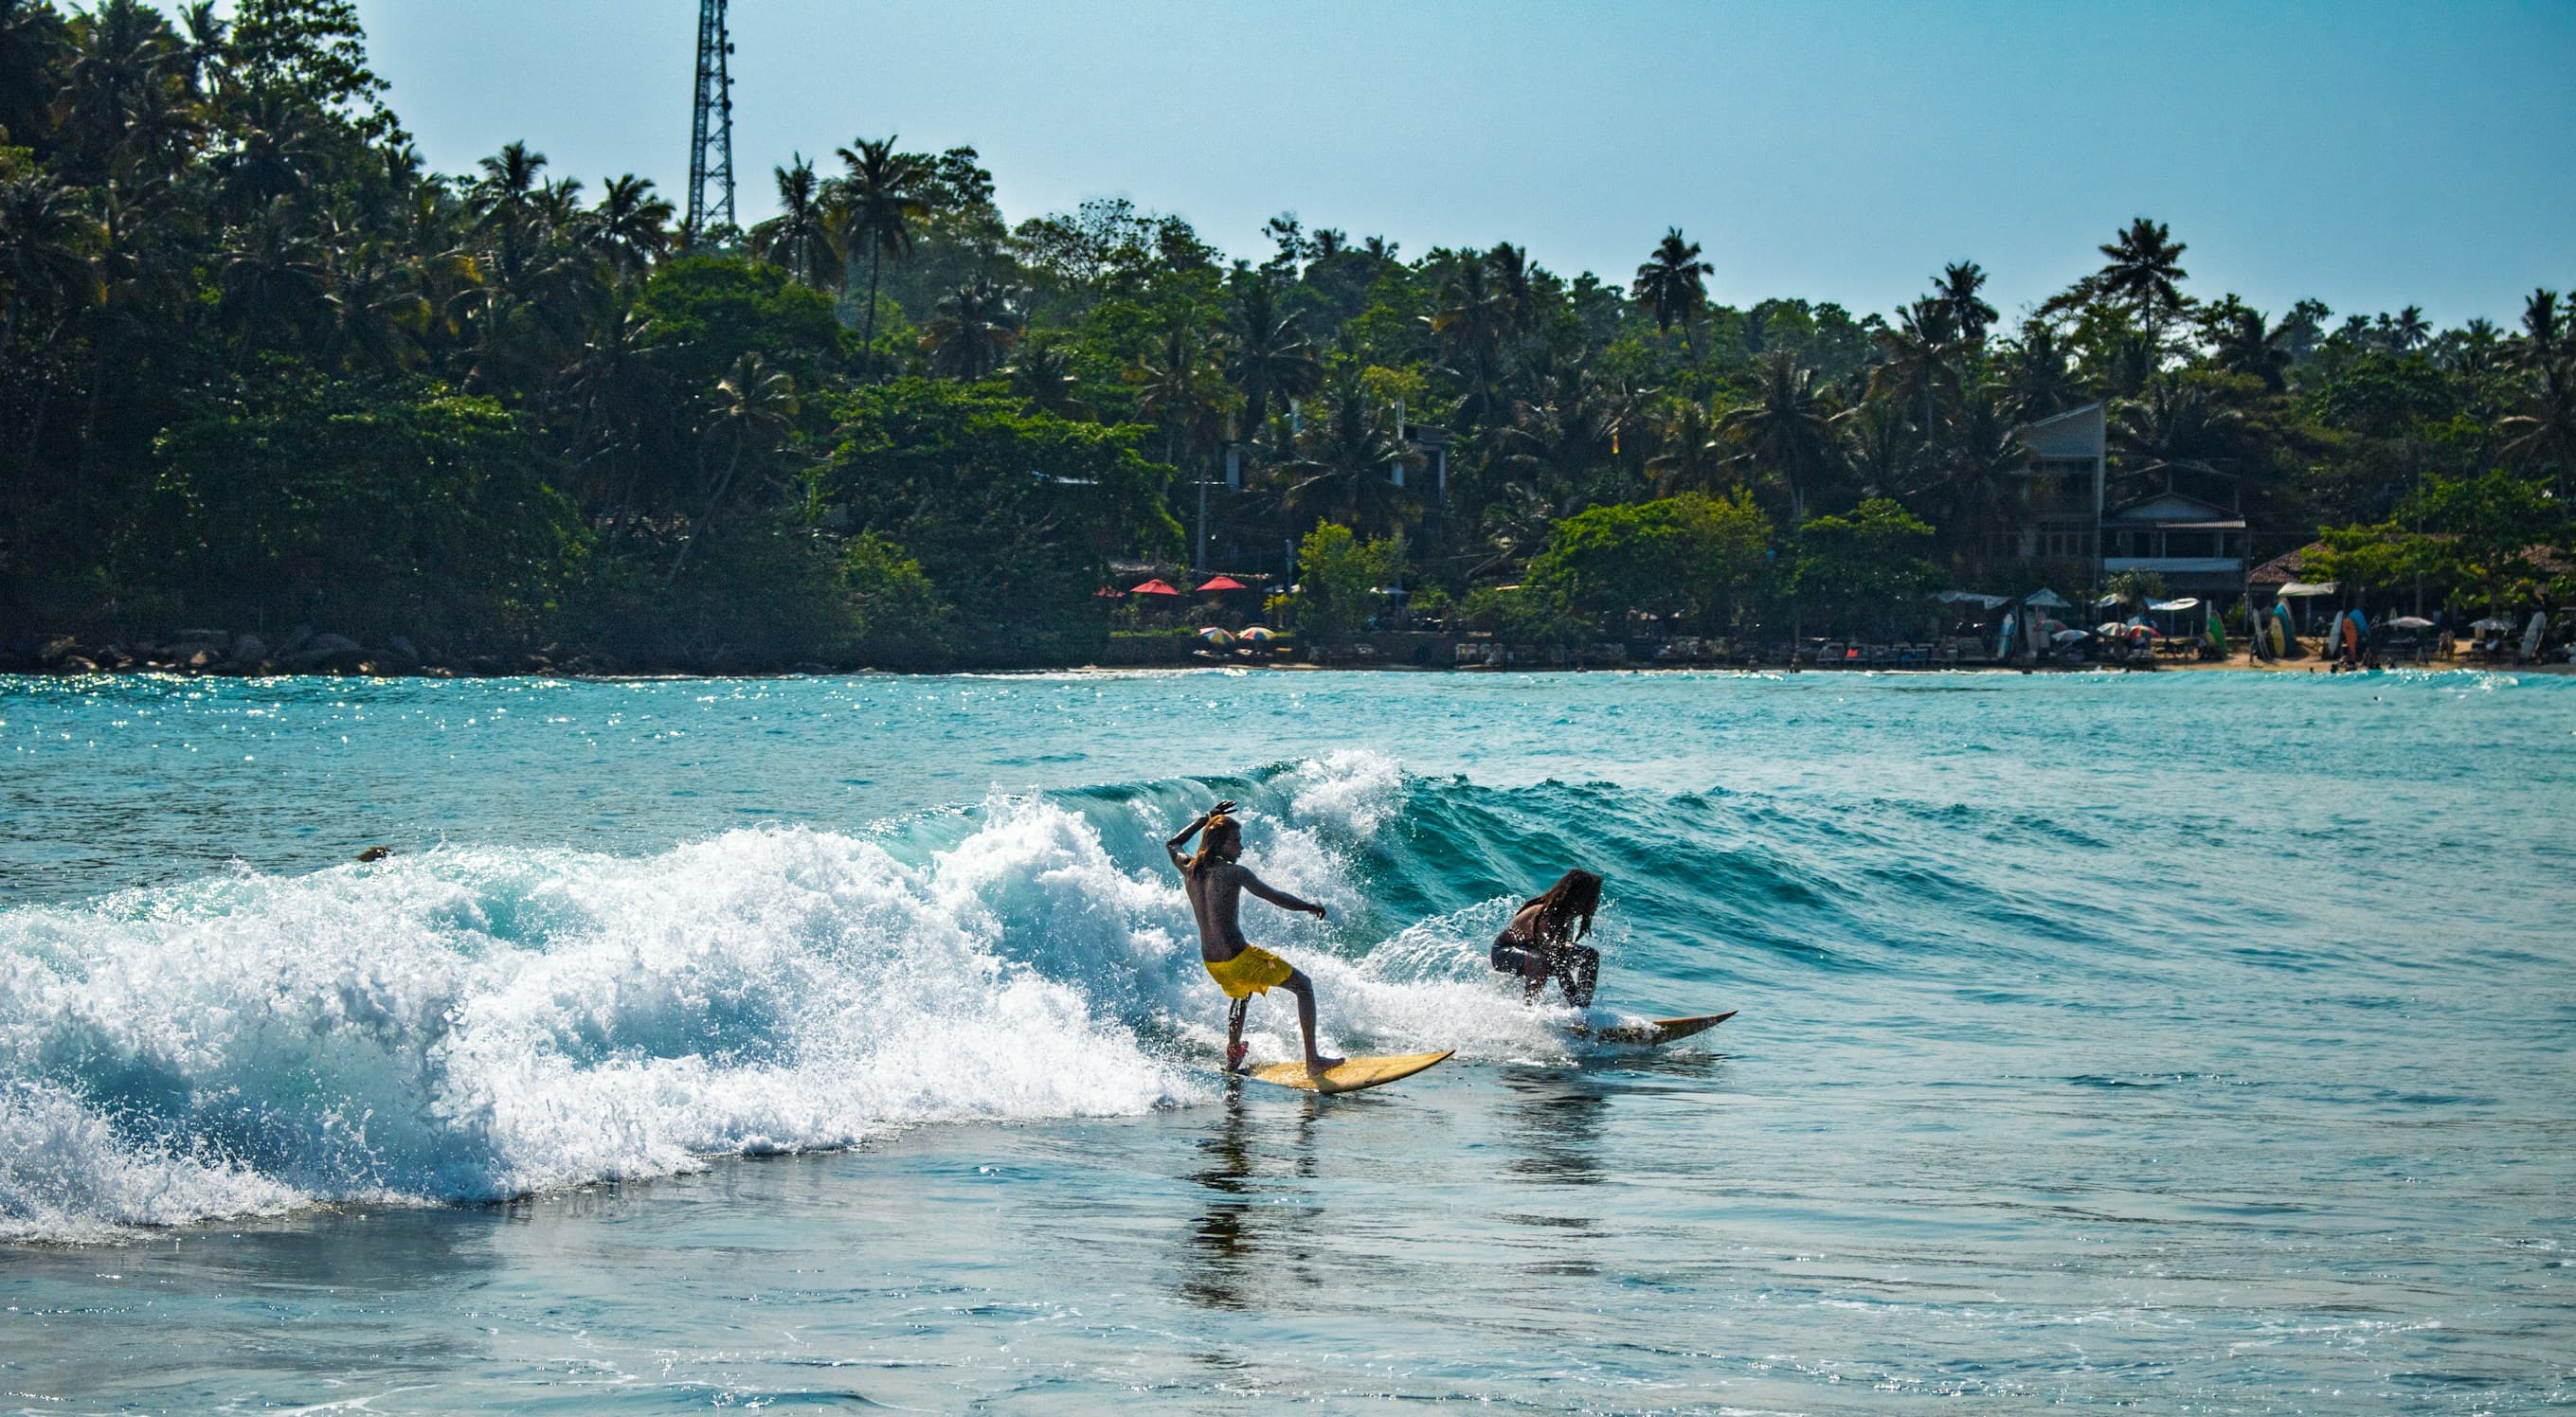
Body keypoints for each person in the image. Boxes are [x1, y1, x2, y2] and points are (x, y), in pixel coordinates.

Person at [1166, 799, 1341, 1079]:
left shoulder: (1191, 869)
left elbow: (1173, 844)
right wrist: (1309, 906)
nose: (1241, 847)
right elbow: (1276, 897)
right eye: (1236, 841)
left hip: (1214, 964)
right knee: (1303, 986)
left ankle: (1233, 1057)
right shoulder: (1234, 873)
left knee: (1241, 993)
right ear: (1220, 844)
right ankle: (1313, 1061)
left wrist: (1206, 817)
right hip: (1238, 960)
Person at [1491, 869, 1602, 1007]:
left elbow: (1559, 954)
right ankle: (1529, 1007)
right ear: (1581, 898)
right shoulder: (1548, 915)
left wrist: (1578, 1004)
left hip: (1533, 951)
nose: (1597, 902)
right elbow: (1557, 960)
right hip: (1504, 951)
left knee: (1589, 955)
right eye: (1594, 897)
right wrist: (1574, 1001)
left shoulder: (1566, 916)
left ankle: (1585, 1006)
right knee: (1541, 961)